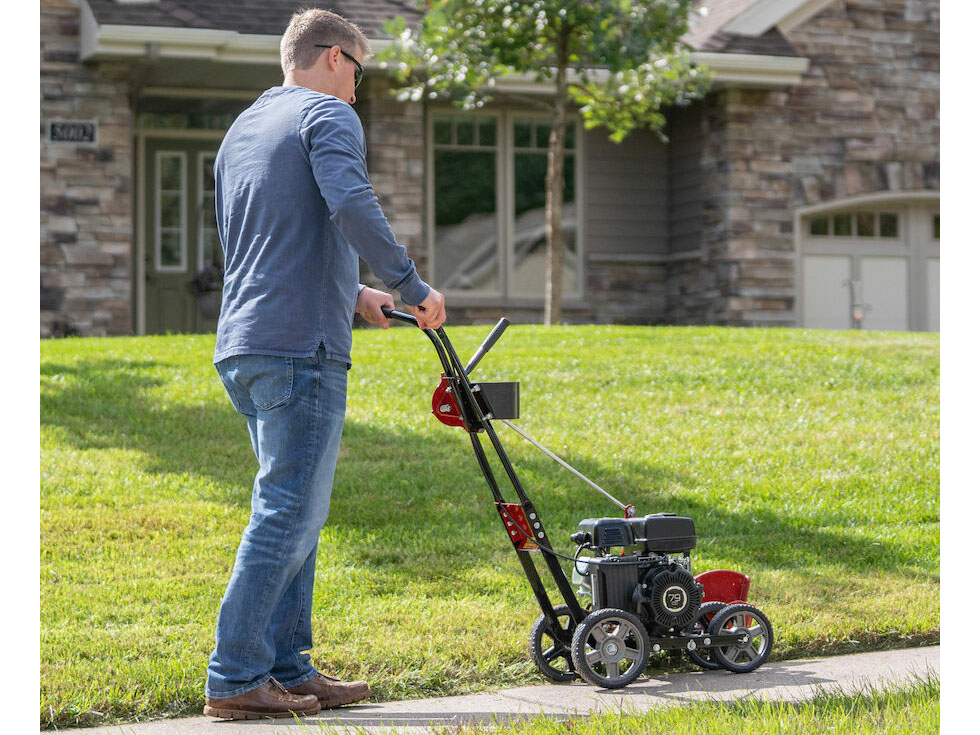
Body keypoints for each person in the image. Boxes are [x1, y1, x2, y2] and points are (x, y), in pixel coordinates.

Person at [202, 8, 446, 720]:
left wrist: (356, 294)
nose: (358, 90)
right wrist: (410, 283)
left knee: (296, 513)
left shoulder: (244, 129)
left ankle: (288, 667)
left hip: (246, 344)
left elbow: (268, 238)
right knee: (285, 513)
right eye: (360, 72)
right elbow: (350, 202)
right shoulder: (328, 115)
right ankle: (236, 674)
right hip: (299, 348)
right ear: (335, 57)